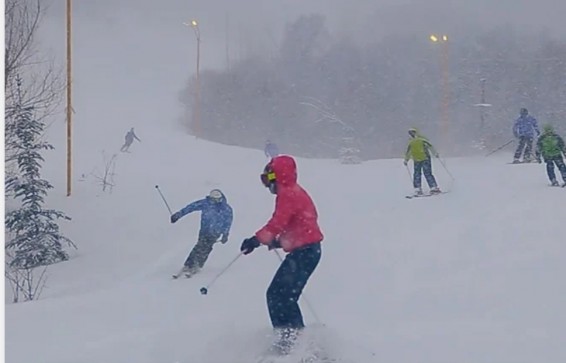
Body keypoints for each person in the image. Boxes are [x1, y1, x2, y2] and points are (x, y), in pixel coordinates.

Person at [240, 155, 323, 354]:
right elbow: (300, 224)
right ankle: (294, 341)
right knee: (282, 295)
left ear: (276, 175)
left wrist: (256, 240)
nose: (268, 184)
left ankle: (292, 342)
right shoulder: (294, 191)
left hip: (306, 253)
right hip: (307, 251)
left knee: (279, 295)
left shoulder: (288, 193)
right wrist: (279, 241)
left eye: (268, 177)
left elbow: (278, 222)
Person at [170, 189, 233, 277]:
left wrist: (225, 234)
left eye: (216, 200)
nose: (214, 202)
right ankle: (189, 264)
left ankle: (198, 264)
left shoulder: (226, 209)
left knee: (206, 247)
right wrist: (178, 214)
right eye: (212, 199)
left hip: (215, 232)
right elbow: (191, 207)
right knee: (199, 245)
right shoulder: (206, 203)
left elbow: (228, 222)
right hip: (204, 230)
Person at [403, 128, 441, 196]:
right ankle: (418, 189)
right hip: (416, 160)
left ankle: (433, 187)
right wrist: (406, 160)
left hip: (425, 158)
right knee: (417, 174)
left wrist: (435, 153)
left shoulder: (422, 140)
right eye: (410, 133)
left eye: (413, 132)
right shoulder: (411, 142)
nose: (412, 134)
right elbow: (408, 152)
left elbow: (430, 146)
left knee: (427, 173)